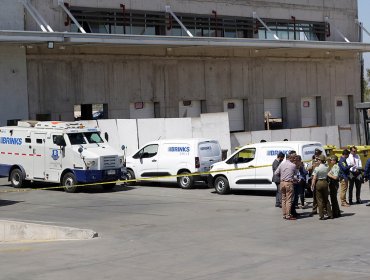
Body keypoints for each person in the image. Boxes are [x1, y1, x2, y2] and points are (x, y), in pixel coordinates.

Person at [275, 153, 298, 220]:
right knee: (289, 200)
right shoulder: (293, 165)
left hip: (282, 183)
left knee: (283, 199)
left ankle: (284, 214)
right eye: (293, 158)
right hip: (289, 183)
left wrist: (282, 176)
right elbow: (295, 175)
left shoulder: (281, 164)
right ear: (290, 158)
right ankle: (288, 215)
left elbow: (276, 173)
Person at [311, 155, 332, 220]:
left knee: (319, 200)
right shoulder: (327, 167)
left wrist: (312, 185)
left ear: (320, 160)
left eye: (318, 160)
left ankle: (321, 215)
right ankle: (330, 214)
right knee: (326, 199)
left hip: (319, 182)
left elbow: (314, 178)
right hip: (325, 182)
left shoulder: (317, 168)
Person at [307, 148, 322, 215]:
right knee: (314, 196)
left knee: (321, 196)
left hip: (320, 179)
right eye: (316, 154)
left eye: (318, 154)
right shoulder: (312, 161)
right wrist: (311, 167)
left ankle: (322, 209)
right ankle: (314, 209)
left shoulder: (323, 161)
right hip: (314, 180)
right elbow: (307, 168)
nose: (316, 156)